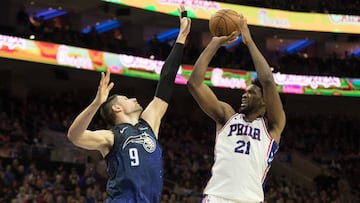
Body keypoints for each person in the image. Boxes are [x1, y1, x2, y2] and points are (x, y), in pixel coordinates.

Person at [67, 5, 191, 203]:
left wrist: (181, 38)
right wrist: (96, 103)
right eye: (126, 98)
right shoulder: (111, 137)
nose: (133, 99)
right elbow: (74, 136)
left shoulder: (149, 124)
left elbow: (166, 78)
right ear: (117, 108)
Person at [187, 14, 286, 203]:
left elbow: (267, 80)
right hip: (217, 198)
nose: (244, 95)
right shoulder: (227, 116)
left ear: (264, 102)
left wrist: (249, 42)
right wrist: (214, 43)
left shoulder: (272, 127)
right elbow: (194, 84)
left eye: (251, 93)